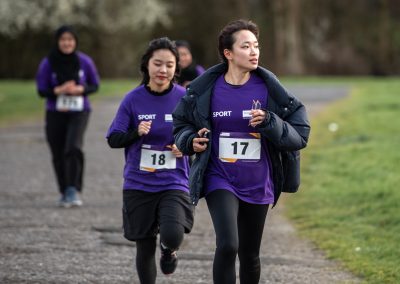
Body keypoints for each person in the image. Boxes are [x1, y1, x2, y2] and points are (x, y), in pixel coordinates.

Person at [172, 19, 310, 283]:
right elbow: (181, 125)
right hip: (219, 175)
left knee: (250, 254)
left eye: (256, 46)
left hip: (258, 179)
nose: (254, 51)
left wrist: (271, 122)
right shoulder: (205, 89)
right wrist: (191, 140)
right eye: (246, 46)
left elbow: (300, 133)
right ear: (228, 53)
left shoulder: (270, 88)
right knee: (228, 245)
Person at [106, 37, 194, 284]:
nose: (163, 70)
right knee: (144, 248)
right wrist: (136, 133)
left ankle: (169, 250)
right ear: (147, 65)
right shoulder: (132, 99)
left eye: (169, 65)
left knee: (173, 233)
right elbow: (113, 138)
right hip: (138, 183)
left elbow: (201, 136)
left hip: (174, 181)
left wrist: (185, 145)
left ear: (176, 68)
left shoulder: (184, 98)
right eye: (157, 63)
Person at [36, 25, 100, 208]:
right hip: (55, 112)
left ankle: (73, 189)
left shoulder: (84, 61)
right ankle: (64, 190)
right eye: (63, 39)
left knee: (73, 147)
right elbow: (41, 90)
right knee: (57, 151)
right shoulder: (48, 63)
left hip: (79, 112)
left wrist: (81, 89)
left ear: (75, 42)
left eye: (70, 39)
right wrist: (59, 90)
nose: (66, 43)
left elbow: (95, 85)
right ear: (57, 42)